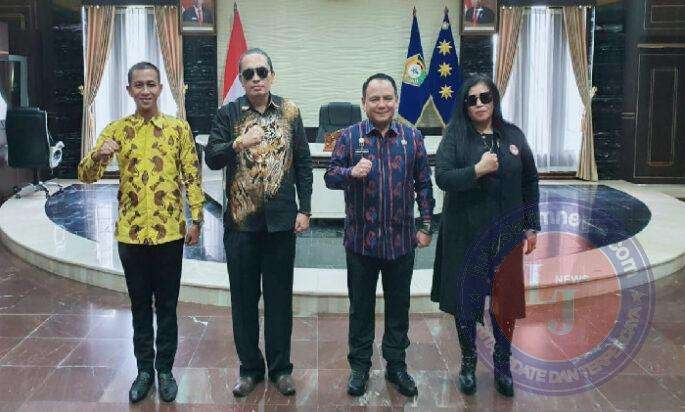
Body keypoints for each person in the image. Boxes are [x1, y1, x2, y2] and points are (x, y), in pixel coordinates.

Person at [78, 62, 204, 404]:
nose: (145, 90)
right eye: (139, 85)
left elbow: (192, 176)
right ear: (129, 90)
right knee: (138, 307)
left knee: (167, 306)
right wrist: (99, 154)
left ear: (160, 88)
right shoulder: (117, 130)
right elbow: (86, 175)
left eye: (151, 84)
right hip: (131, 235)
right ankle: (144, 371)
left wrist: (196, 219)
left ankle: (165, 370)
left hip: (169, 235)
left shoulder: (178, 129)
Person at [204, 48, 313, 397]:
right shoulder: (228, 113)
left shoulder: (290, 111)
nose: (255, 79)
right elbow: (212, 158)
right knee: (243, 302)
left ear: (272, 76)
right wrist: (238, 142)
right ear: (241, 79)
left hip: (281, 225)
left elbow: (303, 163)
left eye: (261, 72)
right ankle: (250, 369)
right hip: (241, 227)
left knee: (280, 301)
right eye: (248, 74)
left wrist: (305, 209)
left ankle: (281, 369)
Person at [325, 73, 435, 398]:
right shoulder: (349, 137)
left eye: (388, 98)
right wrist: (350, 172)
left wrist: (426, 225)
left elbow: (424, 184)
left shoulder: (412, 137)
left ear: (396, 101)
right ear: (364, 103)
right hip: (361, 242)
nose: (382, 104)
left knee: (398, 308)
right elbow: (330, 176)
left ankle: (396, 365)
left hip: (401, 242)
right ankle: (359, 367)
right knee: (360, 309)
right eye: (375, 99)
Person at [431, 74, 540, 397]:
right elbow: (443, 178)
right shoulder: (455, 137)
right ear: (464, 105)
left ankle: (502, 362)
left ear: (494, 99)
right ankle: (468, 362)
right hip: (465, 235)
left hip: (507, 235)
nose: (479, 104)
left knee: (505, 302)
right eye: (472, 99)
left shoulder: (513, 135)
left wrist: (531, 225)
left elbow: (530, 181)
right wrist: (477, 170)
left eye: (485, 97)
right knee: (466, 302)